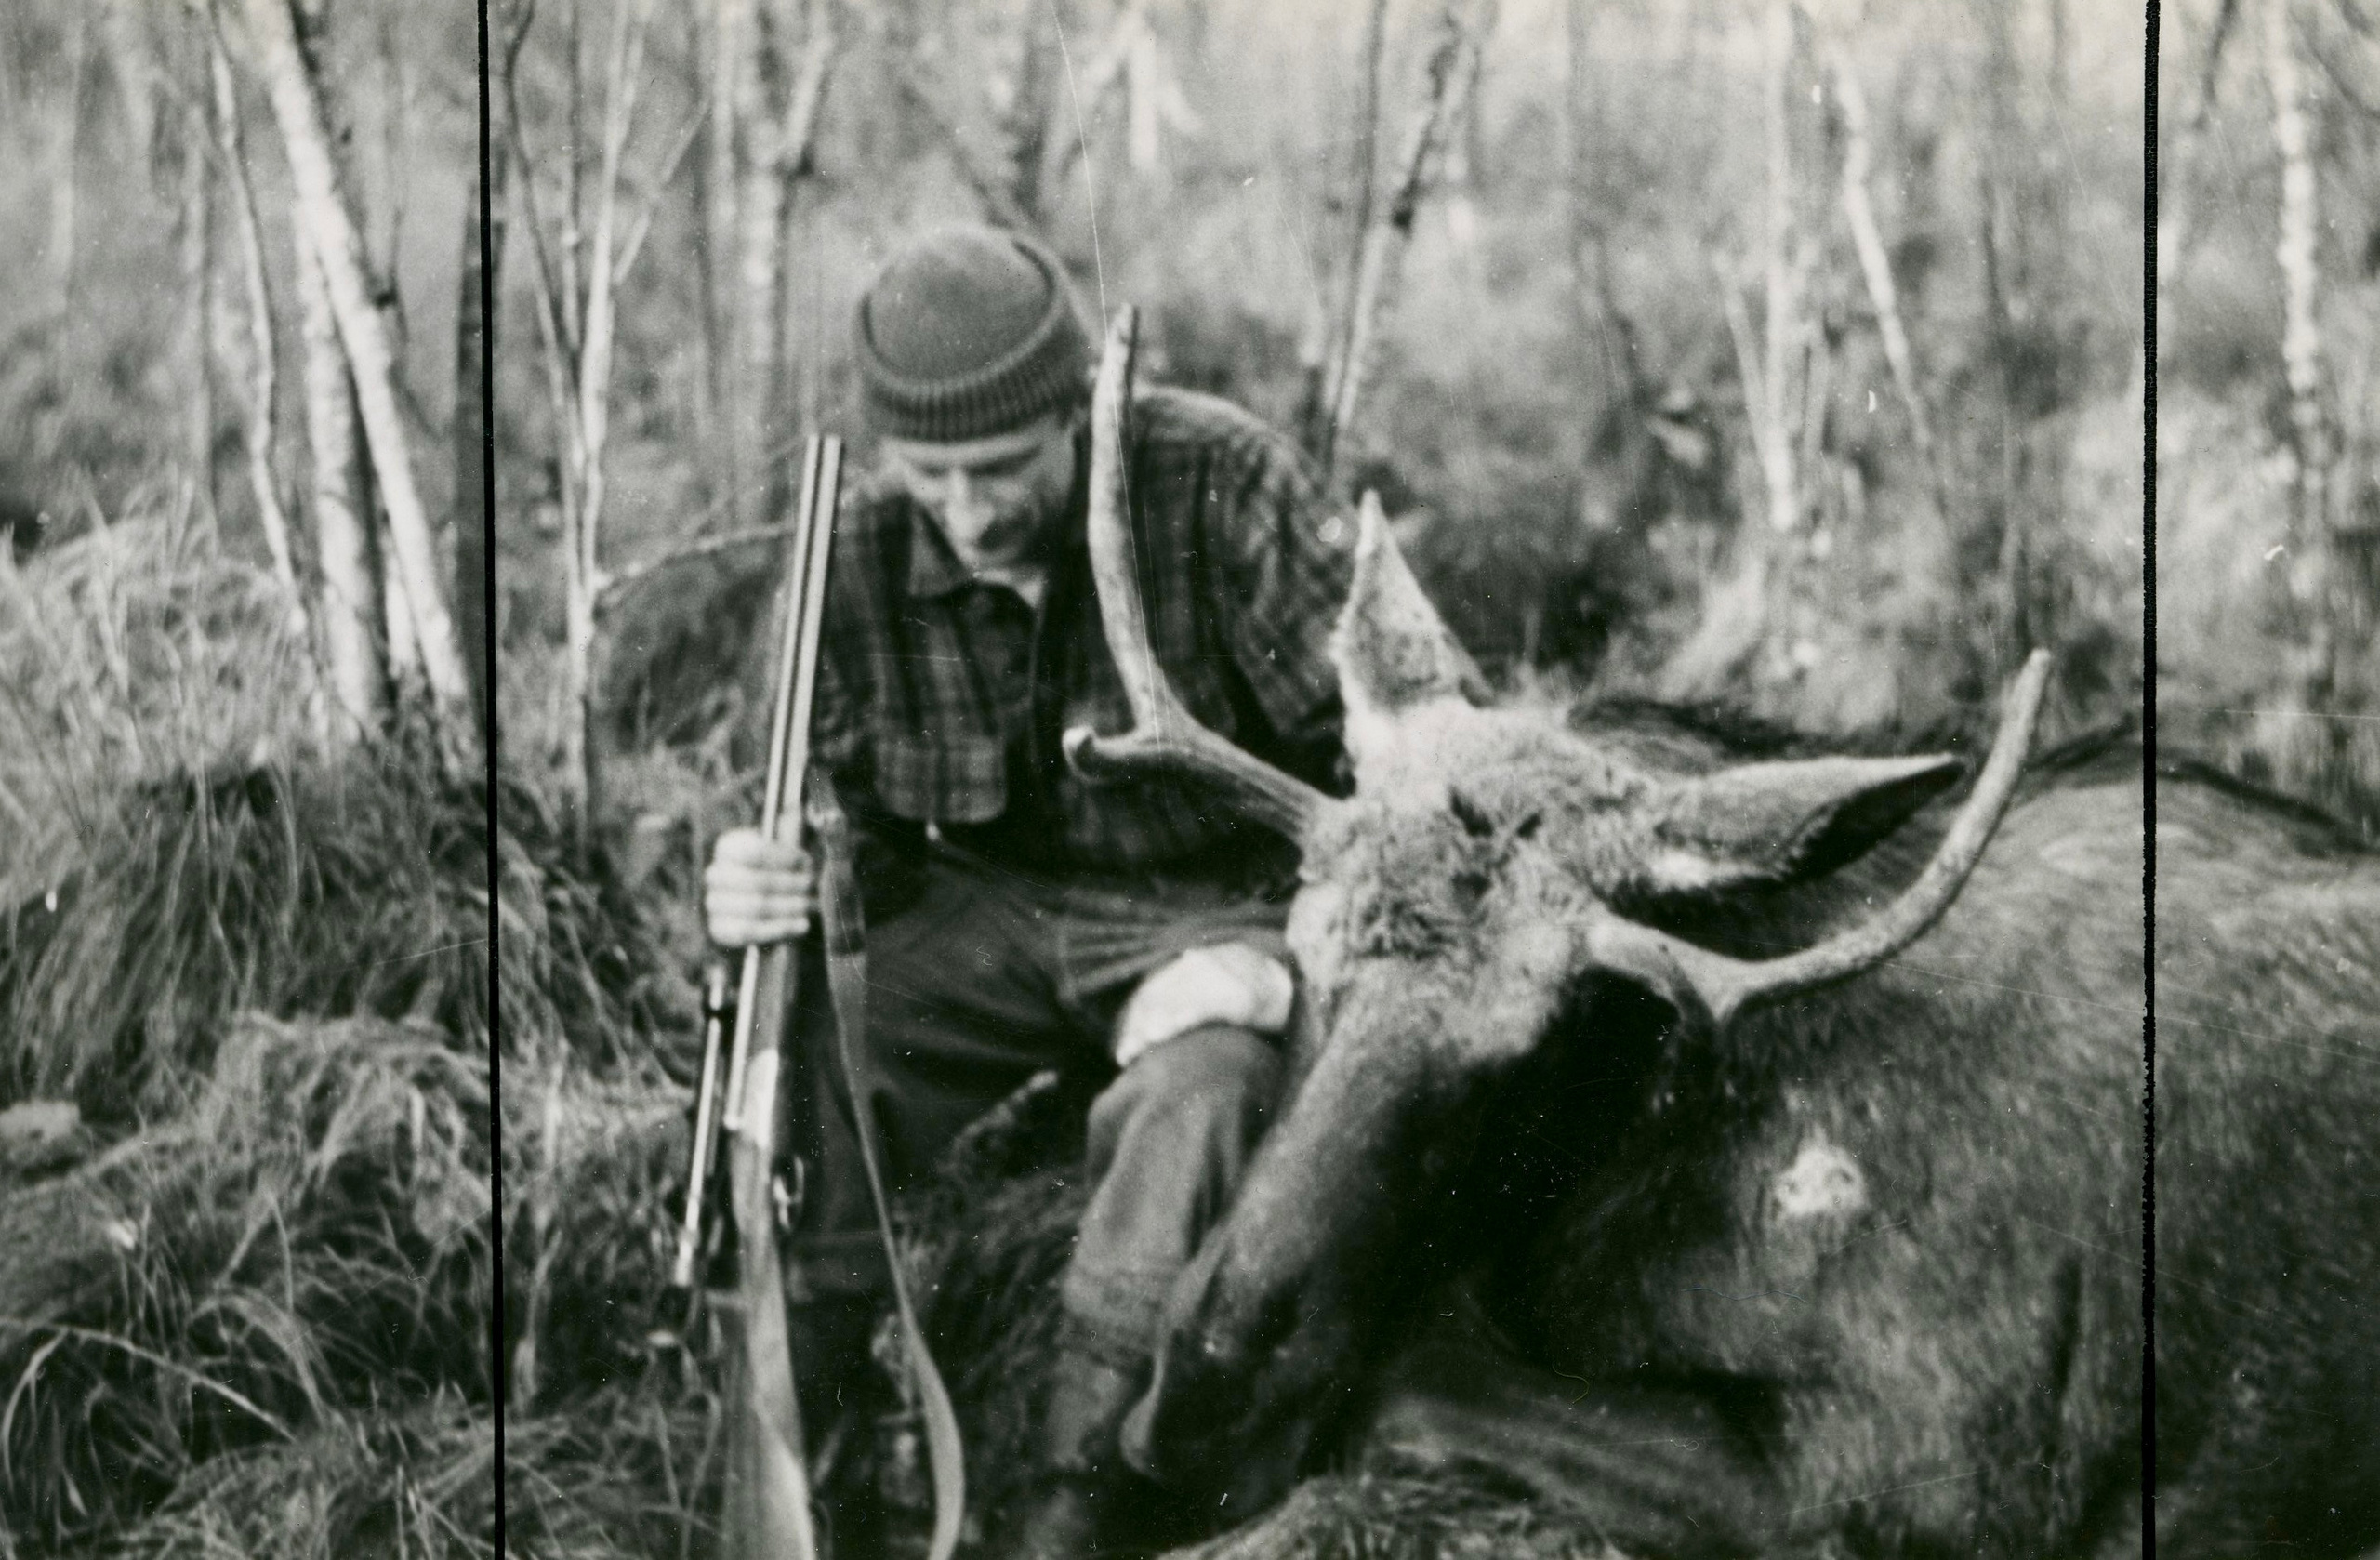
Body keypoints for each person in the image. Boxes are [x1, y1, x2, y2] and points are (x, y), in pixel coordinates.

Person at [702, 222, 1355, 1557]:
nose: (969, 508)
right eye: (930, 472)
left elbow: (1391, 770)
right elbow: (828, 834)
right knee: (818, 1044)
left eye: (1001, 467)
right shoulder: (852, 546)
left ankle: (1075, 1493)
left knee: (1206, 1091)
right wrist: (750, 884)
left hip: (1215, 906)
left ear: (1079, 411)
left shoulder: (1223, 485)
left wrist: (1292, 941)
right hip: (986, 913)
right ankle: (784, 1438)